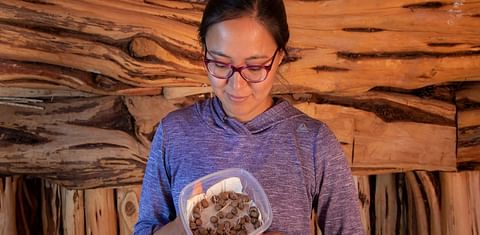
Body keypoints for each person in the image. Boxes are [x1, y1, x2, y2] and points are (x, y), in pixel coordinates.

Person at [134, 0, 364, 234]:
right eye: (220, 64)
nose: (237, 86)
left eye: (255, 68)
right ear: (204, 52)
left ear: (280, 57)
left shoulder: (313, 143)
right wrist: (187, 225)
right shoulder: (174, 133)